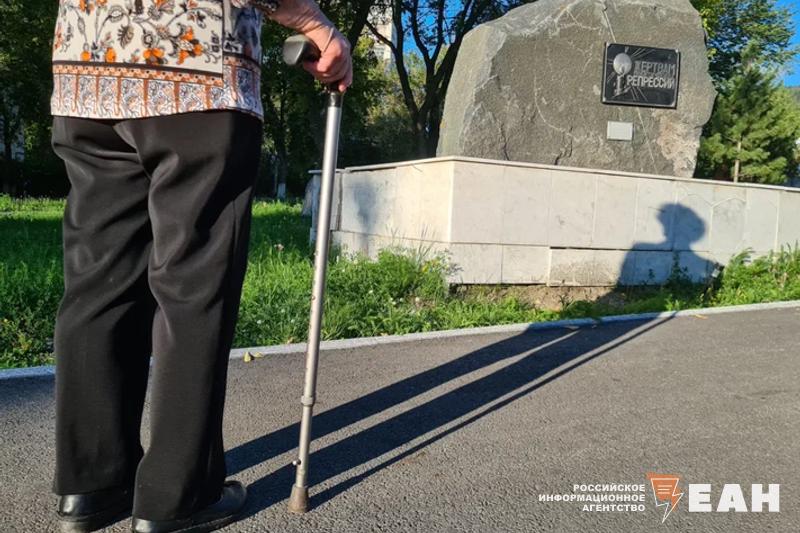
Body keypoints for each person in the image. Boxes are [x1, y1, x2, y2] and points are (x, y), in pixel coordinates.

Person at [48, 0, 352, 531]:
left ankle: (92, 484)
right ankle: (177, 495)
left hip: (89, 65)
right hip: (196, 69)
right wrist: (313, 23)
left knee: (98, 281)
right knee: (191, 288)